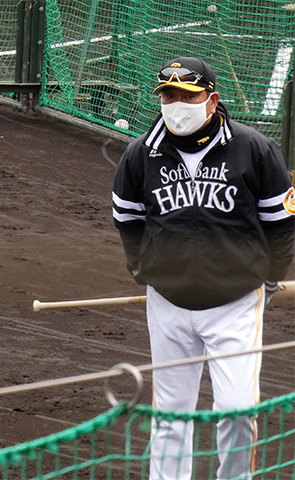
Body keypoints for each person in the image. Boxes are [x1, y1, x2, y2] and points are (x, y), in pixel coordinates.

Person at [112, 56, 295, 479]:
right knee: (171, 414)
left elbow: (281, 225)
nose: (176, 104)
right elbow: (128, 220)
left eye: (188, 96)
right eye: (168, 95)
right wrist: (144, 270)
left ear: (212, 101)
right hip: (167, 303)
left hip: (235, 303)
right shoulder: (141, 153)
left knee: (237, 410)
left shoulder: (254, 149)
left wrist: (270, 278)